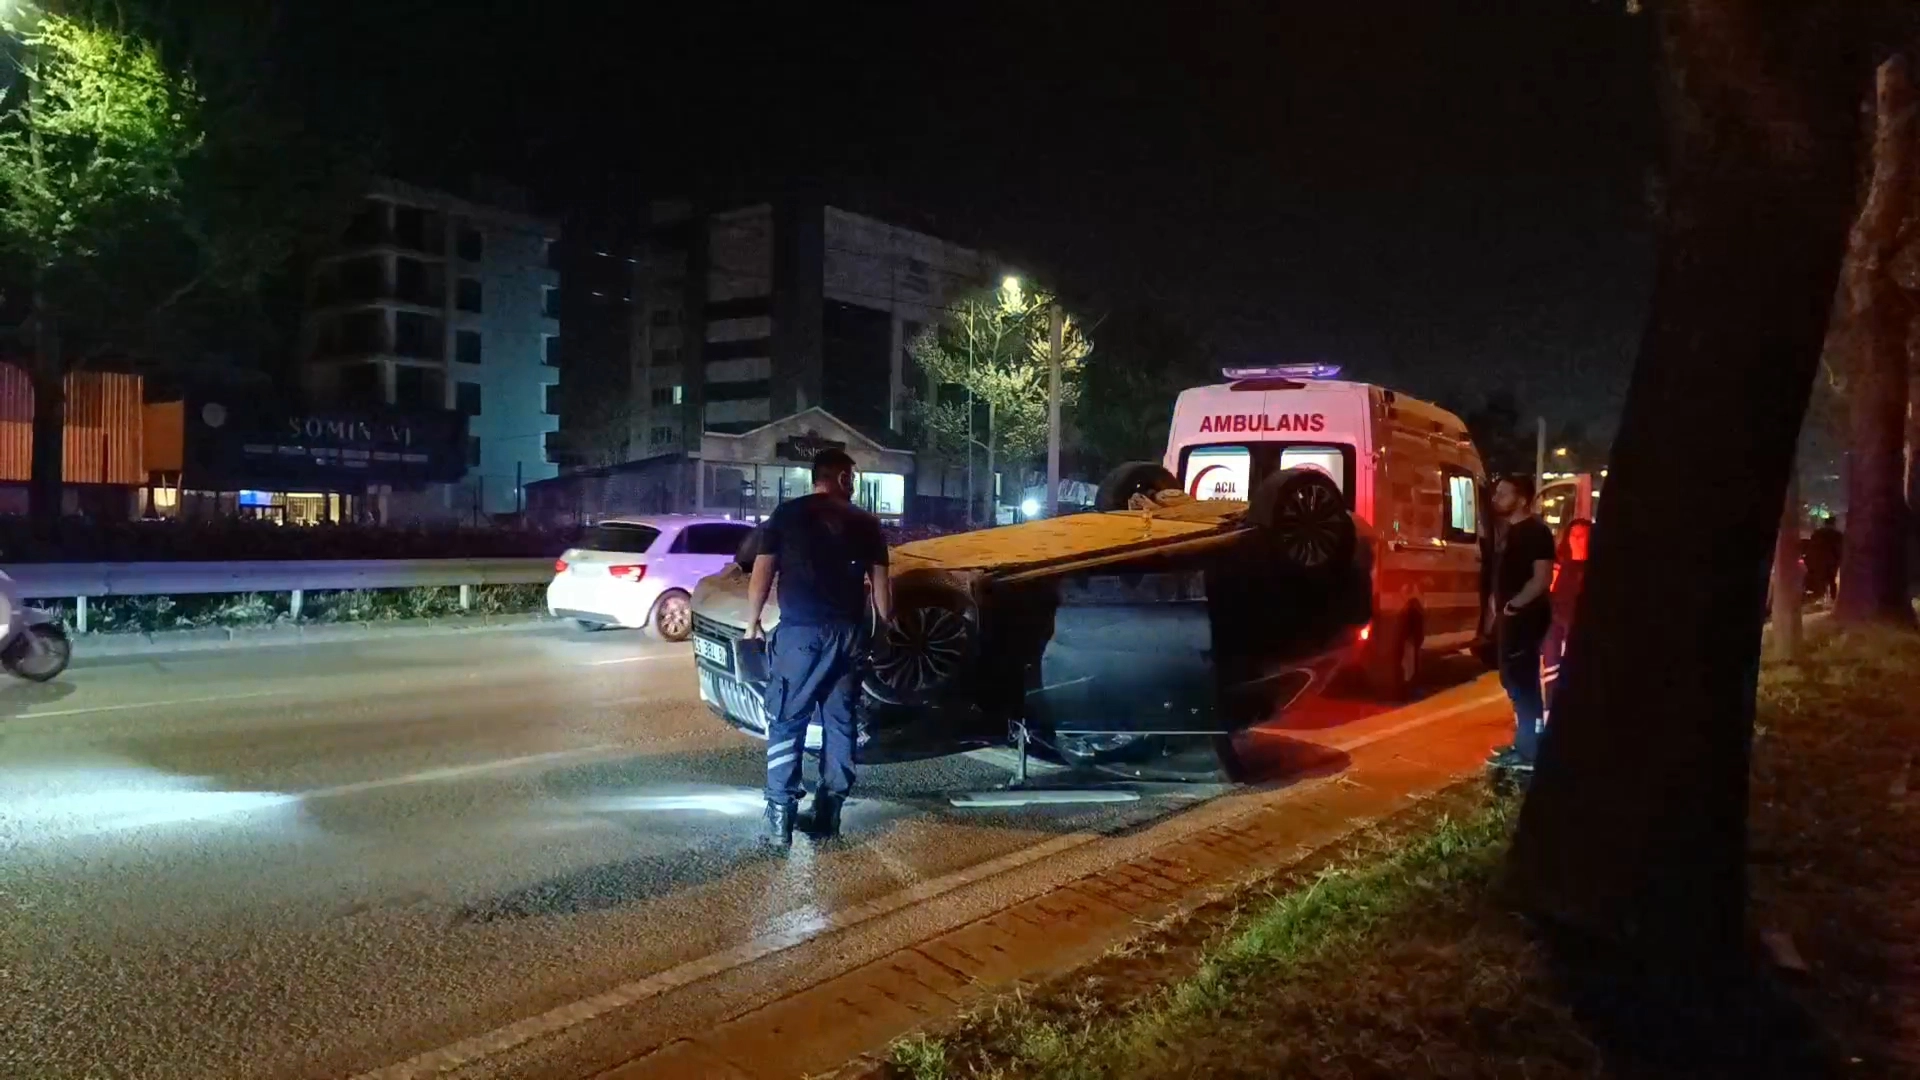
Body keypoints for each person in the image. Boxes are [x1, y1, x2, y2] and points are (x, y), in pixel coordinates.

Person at [744, 448, 894, 846]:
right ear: (842, 478)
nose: (854, 484)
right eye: (852, 477)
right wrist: (882, 631)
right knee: (840, 721)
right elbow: (882, 585)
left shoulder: (787, 514)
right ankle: (829, 812)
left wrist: (752, 622)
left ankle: (780, 816)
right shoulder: (866, 523)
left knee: (786, 719)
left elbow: (762, 571)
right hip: (848, 636)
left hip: (802, 637)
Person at [1484, 475, 1556, 772]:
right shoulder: (1509, 531)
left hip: (1525, 618)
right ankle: (1524, 744)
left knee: (1523, 682)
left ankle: (1530, 752)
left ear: (1522, 499)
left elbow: (1542, 578)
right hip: (1510, 617)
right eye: (1497, 492)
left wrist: (1515, 605)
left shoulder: (1537, 532)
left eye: (1504, 493)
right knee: (1512, 679)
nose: (1496, 498)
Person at [1538, 517, 1591, 726]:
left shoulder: (1595, 569)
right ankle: (1550, 715)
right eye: (1574, 535)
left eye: (1583, 536)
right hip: (1555, 624)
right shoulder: (1559, 566)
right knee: (1551, 670)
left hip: (1579, 627)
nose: (1578, 539)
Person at [1803, 514, 1841, 604]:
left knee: (1817, 579)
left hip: (1816, 560)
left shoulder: (1817, 533)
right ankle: (1832, 599)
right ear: (1834, 523)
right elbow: (1840, 549)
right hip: (1831, 561)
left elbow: (1811, 546)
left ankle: (1816, 597)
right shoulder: (1837, 535)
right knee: (1831, 580)